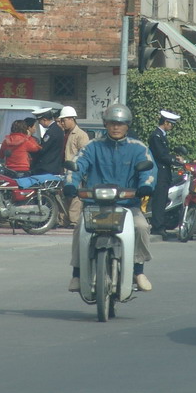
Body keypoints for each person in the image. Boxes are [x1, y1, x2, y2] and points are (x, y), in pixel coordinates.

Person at [64, 103, 156, 292]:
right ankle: (77, 273)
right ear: (105, 124)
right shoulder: (92, 146)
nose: (116, 127)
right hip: (95, 205)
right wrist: (70, 184)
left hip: (127, 205)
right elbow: (78, 164)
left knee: (141, 226)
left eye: (120, 123)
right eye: (112, 123)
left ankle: (138, 270)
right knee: (80, 228)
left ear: (127, 125)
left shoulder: (138, 148)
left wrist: (145, 185)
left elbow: (148, 169)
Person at [148, 109, 181, 236]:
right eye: (171, 123)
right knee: (159, 201)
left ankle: (160, 225)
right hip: (159, 172)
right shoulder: (156, 136)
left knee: (162, 200)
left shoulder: (161, 136)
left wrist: (174, 158)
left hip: (164, 172)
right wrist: (174, 160)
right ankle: (157, 227)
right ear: (166, 122)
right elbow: (161, 155)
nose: (171, 126)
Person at [58, 106, 90, 227]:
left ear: (71, 119)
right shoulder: (65, 134)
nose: (62, 123)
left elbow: (85, 154)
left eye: (64, 120)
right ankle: (63, 220)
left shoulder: (81, 135)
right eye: (61, 121)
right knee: (63, 195)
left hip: (75, 171)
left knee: (74, 196)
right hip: (63, 169)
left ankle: (74, 220)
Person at [32, 107, 65, 176]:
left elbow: (43, 148)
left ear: (44, 120)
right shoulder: (56, 129)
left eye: (40, 121)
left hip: (48, 167)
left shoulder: (51, 131)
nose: (39, 124)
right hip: (53, 165)